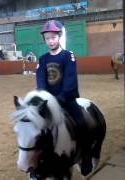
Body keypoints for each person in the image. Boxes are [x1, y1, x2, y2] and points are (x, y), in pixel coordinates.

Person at [36, 20, 92, 176]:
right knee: (36, 129)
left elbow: (70, 80)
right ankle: (38, 163)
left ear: (59, 37)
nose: (50, 41)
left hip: (67, 99)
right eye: (47, 38)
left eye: (53, 37)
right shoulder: (43, 59)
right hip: (49, 101)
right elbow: (40, 81)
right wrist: (44, 97)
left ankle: (86, 157)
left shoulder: (68, 56)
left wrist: (60, 99)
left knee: (82, 124)